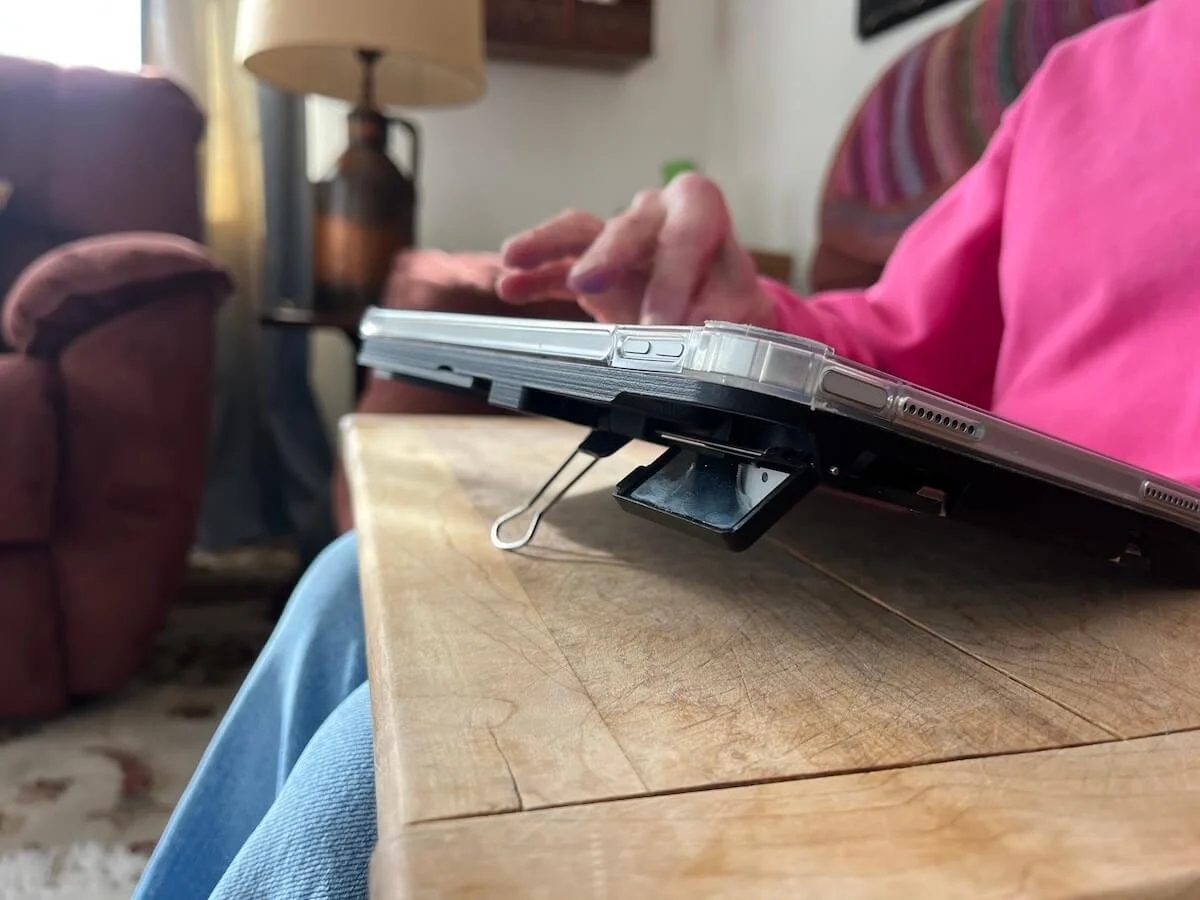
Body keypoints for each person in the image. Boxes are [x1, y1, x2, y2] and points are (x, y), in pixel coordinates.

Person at [132, 1, 1200, 896]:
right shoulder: (1087, 74)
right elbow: (904, 342)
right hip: (1011, 568)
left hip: (1145, 652)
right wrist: (749, 321)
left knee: (392, 769)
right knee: (353, 582)